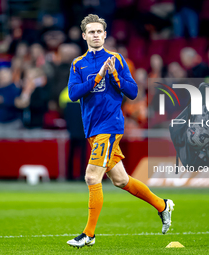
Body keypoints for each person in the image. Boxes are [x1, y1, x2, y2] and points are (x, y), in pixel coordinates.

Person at [66, 14, 174, 248]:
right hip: (91, 128)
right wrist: (97, 78)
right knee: (121, 180)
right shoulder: (77, 64)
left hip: (110, 126)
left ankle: (89, 234)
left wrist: (114, 76)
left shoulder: (116, 59)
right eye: (91, 32)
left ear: (105, 35)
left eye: (99, 31)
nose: (95, 35)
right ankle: (163, 205)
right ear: (84, 36)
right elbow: (73, 94)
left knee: (91, 176)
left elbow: (133, 92)